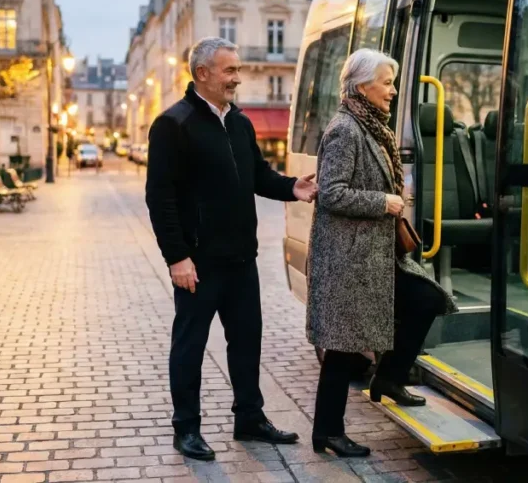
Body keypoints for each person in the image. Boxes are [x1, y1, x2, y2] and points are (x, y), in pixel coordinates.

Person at [145, 37, 319, 461]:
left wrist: (291, 188)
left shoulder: (239, 122)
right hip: (199, 263)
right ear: (201, 73)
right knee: (189, 345)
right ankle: (186, 428)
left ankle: (250, 418)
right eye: (230, 71)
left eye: (238, 70)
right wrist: (177, 257)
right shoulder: (174, 124)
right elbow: (160, 197)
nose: (238, 79)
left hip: (242, 258)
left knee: (246, 342)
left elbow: (256, 174)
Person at [305, 48, 457, 457]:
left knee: (426, 299)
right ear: (361, 85)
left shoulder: (372, 126)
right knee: (342, 347)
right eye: (387, 82)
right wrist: (384, 202)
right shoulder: (345, 129)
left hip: (376, 256)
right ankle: (327, 433)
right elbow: (331, 193)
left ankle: (388, 378)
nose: (393, 91)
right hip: (349, 258)